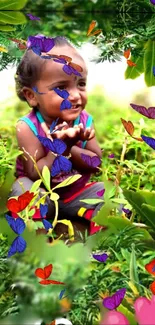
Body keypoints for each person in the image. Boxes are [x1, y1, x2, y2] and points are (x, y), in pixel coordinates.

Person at [9, 34, 105, 235]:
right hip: (44, 197)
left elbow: (96, 163)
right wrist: (59, 149)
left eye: (80, 84)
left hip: (76, 195)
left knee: (108, 193)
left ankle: (102, 241)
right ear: (32, 96)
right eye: (61, 88)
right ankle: (36, 238)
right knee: (21, 187)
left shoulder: (84, 121)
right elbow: (35, 174)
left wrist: (72, 147)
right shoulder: (28, 127)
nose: (75, 95)